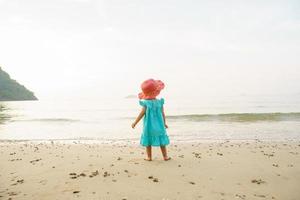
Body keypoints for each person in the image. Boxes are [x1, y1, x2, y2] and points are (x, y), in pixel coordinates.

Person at [131, 79, 171, 161]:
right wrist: (164, 123)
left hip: (148, 126)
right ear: (156, 92)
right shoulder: (160, 102)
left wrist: (135, 122)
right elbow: (163, 113)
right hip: (159, 125)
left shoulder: (146, 103)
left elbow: (141, 114)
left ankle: (149, 157)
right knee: (161, 140)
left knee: (148, 141)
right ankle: (165, 156)